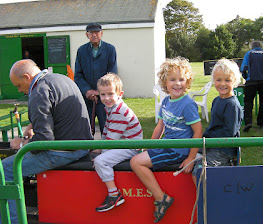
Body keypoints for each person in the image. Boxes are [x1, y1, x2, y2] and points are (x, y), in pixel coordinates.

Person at [1, 59, 93, 224]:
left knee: (4, 170)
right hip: (83, 144)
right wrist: (31, 125)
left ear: (27, 76)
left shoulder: (38, 91)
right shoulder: (59, 78)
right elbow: (54, 109)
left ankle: (11, 221)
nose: (20, 90)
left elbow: (44, 140)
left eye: (19, 85)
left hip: (63, 152)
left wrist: (21, 144)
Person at [130, 57, 203, 223]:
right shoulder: (165, 101)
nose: (177, 84)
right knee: (135, 158)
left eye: (182, 80)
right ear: (165, 82)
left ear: (188, 81)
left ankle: (161, 198)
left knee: (136, 162)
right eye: (172, 80)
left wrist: (190, 158)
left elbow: (198, 131)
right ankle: (161, 197)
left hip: (178, 150)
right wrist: (149, 146)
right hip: (166, 146)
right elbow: (159, 127)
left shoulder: (187, 104)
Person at [93, 73, 143, 212]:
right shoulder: (111, 107)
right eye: (103, 95)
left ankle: (114, 195)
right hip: (122, 142)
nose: (107, 98)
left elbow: (111, 141)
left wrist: (101, 153)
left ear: (120, 93)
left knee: (100, 161)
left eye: (110, 94)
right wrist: (99, 147)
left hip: (130, 146)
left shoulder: (120, 111)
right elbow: (107, 131)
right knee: (97, 153)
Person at [192, 58, 243, 180]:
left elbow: (229, 133)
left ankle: (205, 198)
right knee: (187, 156)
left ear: (235, 81)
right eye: (218, 80)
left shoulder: (232, 105)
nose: (222, 84)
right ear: (213, 80)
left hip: (222, 149)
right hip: (210, 144)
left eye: (227, 80)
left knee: (199, 171)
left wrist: (209, 140)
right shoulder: (216, 100)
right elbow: (213, 126)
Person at [74, 22, 118, 136]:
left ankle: (107, 152)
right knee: (85, 129)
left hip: (105, 98)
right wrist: (87, 90)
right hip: (87, 98)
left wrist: (100, 92)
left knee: (107, 129)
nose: (94, 35)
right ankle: (86, 152)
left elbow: (112, 75)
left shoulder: (110, 49)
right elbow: (78, 75)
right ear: (86, 35)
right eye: (91, 32)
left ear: (101, 33)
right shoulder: (81, 51)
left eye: (97, 32)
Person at [241, 41, 263, 132]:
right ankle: (262, 123)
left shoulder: (249, 54)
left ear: (252, 46)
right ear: (261, 46)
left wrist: (246, 78)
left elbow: (243, 68)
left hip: (251, 81)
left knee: (248, 102)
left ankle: (248, 122)